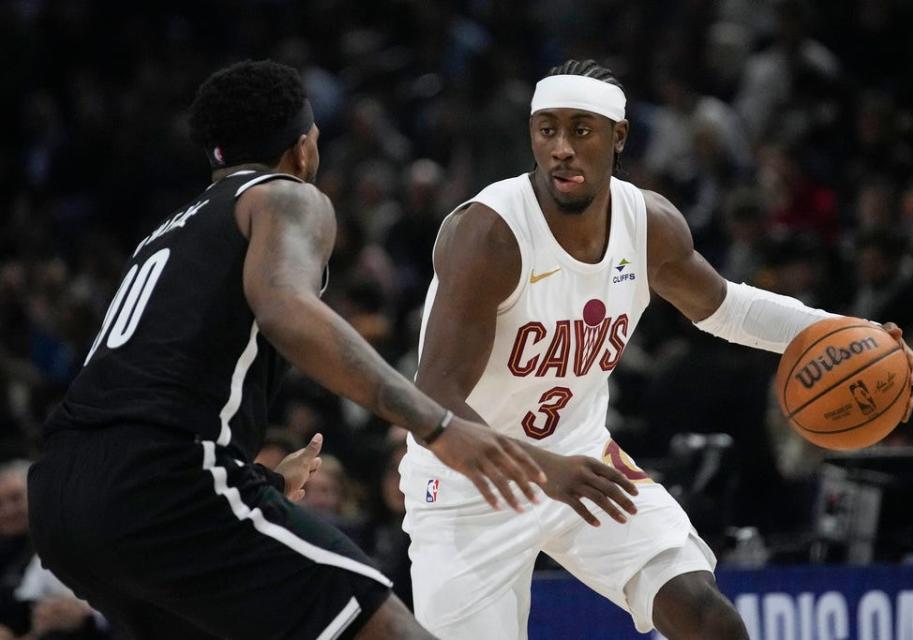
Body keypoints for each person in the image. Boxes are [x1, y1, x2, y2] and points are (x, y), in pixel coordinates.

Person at [400, 59, 913, 639]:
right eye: (547, 129)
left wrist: (861, 334)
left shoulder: (647, 223)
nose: (561, 148)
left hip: (584, 459)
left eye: (581, 129)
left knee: (709, 620)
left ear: (618, 136)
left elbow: (727, 308)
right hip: (468, 483)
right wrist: (546, 471)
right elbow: (434, 397)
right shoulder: (489, 233)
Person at [27, 59, 550, 640]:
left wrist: (264, 485)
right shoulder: (284, 196)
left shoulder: (167, 230)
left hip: (60, 498)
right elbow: (286, 308)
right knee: (390, 629)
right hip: (160, 480)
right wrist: (438, 424)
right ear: (302, 150)